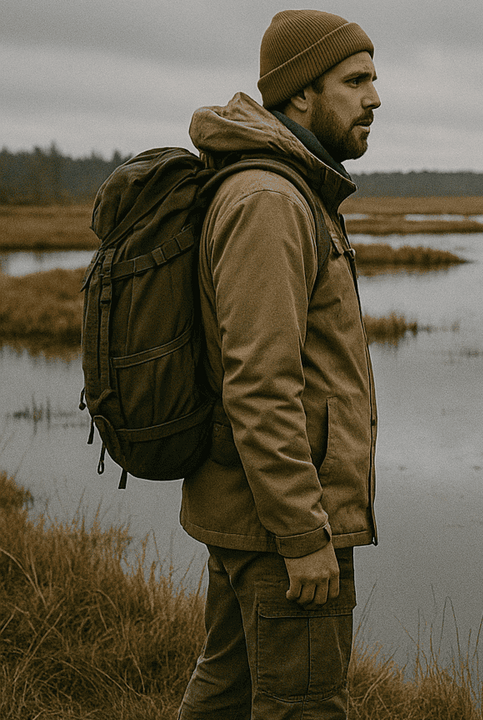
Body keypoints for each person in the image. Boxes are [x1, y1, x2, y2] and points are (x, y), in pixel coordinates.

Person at [177, 10, 380, 719]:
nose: (375, 97)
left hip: (252, 512)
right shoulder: (270, 200)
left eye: (374, 78)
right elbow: (260, 387)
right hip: (281, 527)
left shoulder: (287, 189)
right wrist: (302, 534)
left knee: (227, 693)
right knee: (305, 706)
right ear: (300, 94)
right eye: (355, 80)